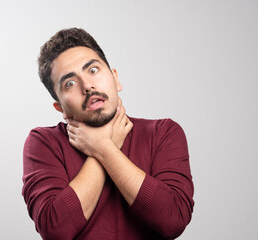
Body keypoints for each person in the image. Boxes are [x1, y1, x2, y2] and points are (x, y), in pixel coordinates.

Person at [22, 28, 194, 240]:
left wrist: (103, 148)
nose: (87, 86)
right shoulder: (44, 143)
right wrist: (106, 145)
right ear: (61, 109)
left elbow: (173, 220)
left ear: (115, 79)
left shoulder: (163, 133)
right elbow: (55, 230)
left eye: (93, 70)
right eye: (70, 83)